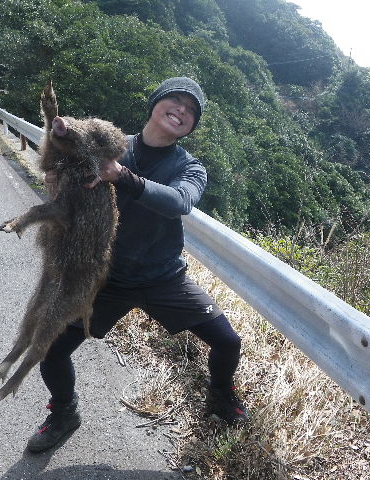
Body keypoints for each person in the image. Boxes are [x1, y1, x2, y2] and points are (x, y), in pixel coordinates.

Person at [27, 77, 247, 453]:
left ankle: (220, 393)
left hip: (162, 278)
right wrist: (56, 178)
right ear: (155, 105)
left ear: (192, 127)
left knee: (227, 341)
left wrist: (121, 176)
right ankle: (64, 411)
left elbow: (180, 201)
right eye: (174, 101)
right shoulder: (111, 145)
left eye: (190, 110)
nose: (181, 110)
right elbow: (63, 165)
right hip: (104, 278)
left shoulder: (190, 167)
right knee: (50, 346)